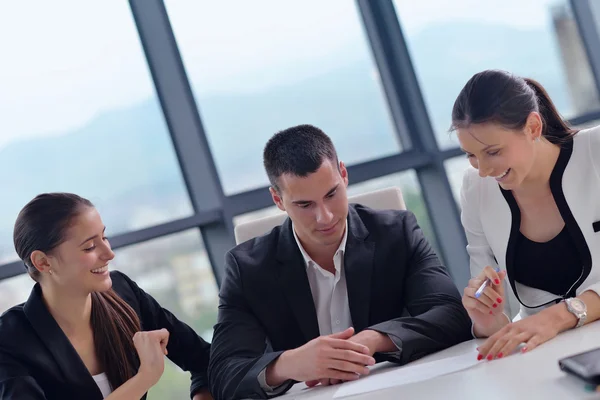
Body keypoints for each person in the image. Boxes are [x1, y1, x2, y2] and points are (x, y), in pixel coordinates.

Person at [208, 124, 472, 399]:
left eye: (331, 194)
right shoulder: (247, 268)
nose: (325, 217)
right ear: (278, 199)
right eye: (305, 205)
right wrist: (290, 364)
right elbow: (223, 374)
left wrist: (371, 341)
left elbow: (451, 314)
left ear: (343, 175)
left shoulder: (396, 233)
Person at [0, 193, 213, 400]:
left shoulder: (124, 293)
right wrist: (145, 377)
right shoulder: (10, 340)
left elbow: (208, 361)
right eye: (90, 247)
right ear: (43, 262)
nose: (109, 253)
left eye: (104, 237)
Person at [454, 69, 600, 361]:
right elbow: (498, 321)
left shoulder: (596, 151)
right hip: (544, 361)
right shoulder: (476, 188)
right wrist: (486, 319)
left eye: (493, 152)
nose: (482, 170)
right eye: (471, 155)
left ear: (533, 127)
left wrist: (564, 315)